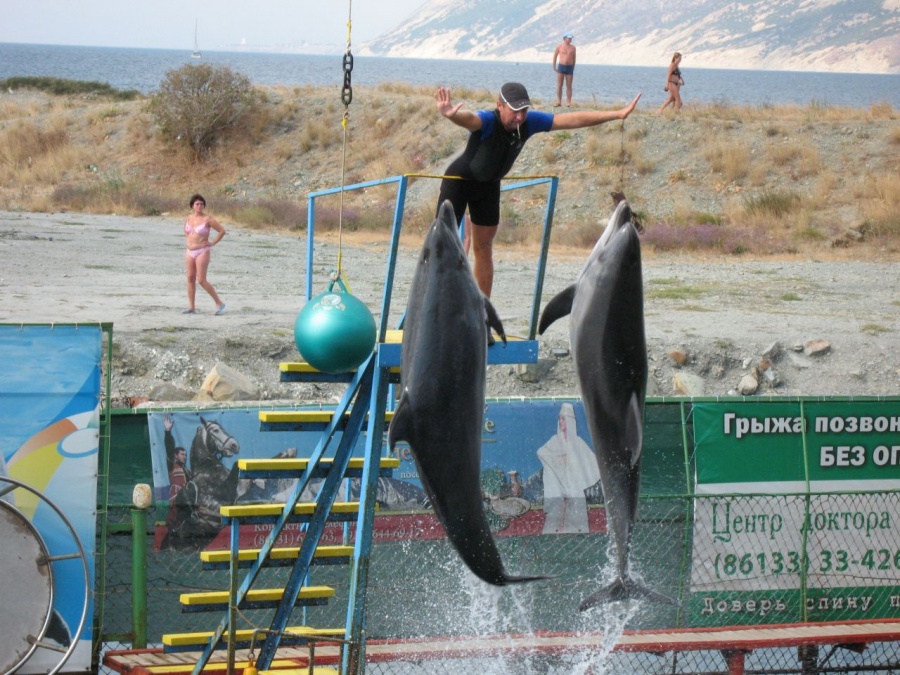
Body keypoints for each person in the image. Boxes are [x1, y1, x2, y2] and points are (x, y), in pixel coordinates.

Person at [435, 82, 641, 297]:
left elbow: (572, 119)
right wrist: (451, 115)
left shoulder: (529, 122)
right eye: (515, 112)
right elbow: (470, 119)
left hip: (488, 186)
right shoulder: (488, 120)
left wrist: (617, 114)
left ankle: (481, 310)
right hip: (458, 182)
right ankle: (436, 305)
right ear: (500, 105)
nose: (520, 117)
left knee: (484, 247)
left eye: (524, 111)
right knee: (443, 246)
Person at [537, 403, 600, 534]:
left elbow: (594, 465)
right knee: (554, 525)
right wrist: (558, 457)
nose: (561, 421)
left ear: (570, 421)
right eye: (559, 418)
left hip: (575, 491)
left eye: (563, 418)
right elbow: (541, 453)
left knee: (577, 525)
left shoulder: (578, 443)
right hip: (558, 491)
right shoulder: (555, 440)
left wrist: (579, 482)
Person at [183, 193, 226, 315]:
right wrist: (190, 240)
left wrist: (212, 243)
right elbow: (186, 231)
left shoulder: (208, 219)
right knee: (190, 278)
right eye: (197, 204)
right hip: (189, 251)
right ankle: (191, 307)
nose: (199, 206)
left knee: (201, 279)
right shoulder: (189, 217)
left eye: (201, 204)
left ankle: (219, 303)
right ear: (192, 205)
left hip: (202, 251)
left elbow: (222, 231)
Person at [552, 32, 577, 107]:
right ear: (564, 38)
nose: (570, 39)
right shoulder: (559, 46)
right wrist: (554, 66)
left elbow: (574, 58)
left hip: (569, 67)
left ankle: (569, 102)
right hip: (561, 66)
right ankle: (559, 101)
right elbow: (555, 56)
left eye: (571, 38)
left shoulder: (573, 48)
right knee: (560, 85)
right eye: (569, 38)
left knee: (569, 85)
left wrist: (573, 67)